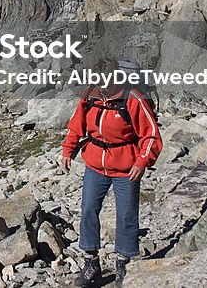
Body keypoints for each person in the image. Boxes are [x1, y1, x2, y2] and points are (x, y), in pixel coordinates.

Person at [61, 57, 162, 287]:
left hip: (126, 168)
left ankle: (123, 263)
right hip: (96, 164)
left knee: (126, 216)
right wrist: (68, 150)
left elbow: (151, 134)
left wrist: (142, 161)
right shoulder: (90, 95)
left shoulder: (133, 99)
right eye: (98, 81)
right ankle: (91, 262)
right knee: (87, 210)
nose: (102, 87)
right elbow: (77, 125)